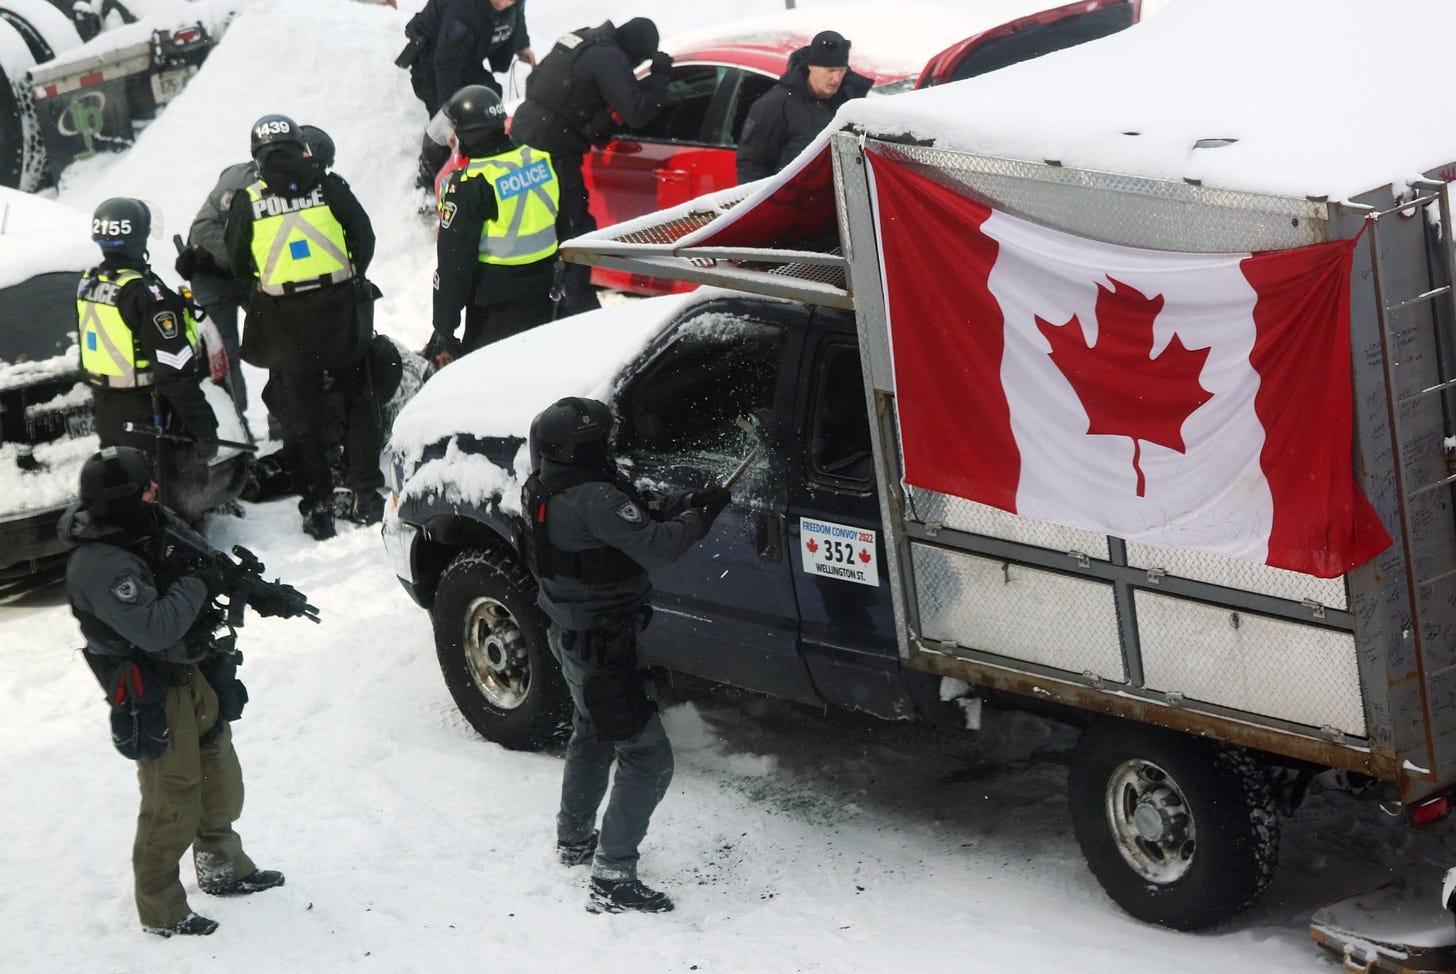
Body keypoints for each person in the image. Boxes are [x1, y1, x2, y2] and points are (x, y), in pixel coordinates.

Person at [60, 446, 283, 938]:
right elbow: (156, 627)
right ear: (121, 498)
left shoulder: (147, 521)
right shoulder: (99, 562)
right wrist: (198, 585)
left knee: (218, 771)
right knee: (172, 794)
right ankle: (161, 906)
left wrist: (245, 585)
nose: (155, 490)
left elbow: (201, 557)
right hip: (150, 683)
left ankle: (223, 867)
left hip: (192, 667)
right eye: (145, 485)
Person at [522, 397, 731, 913]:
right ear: (583, 449)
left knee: (592, 732)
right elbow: (657, 545)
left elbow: (631, 514)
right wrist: (701, 518)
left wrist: (684, 500)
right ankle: (613, 875)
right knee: (648, 758)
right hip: (601, 647)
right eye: (602, 441)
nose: (609, 448)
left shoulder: (546, 485)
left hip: (573, 636)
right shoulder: (592, 496)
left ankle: (574, 840)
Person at [225, 113, 382, 540]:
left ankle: (317, 506)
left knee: (302, 419)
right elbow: (364, 239)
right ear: (302, 146)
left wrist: (265, 291)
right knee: (358, 403)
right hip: (338, 313)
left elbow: (238, 262)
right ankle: (366, 493)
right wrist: (348, 277)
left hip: (285, 323)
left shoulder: (248, 200)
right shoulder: (329, 187)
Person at [509, 18, 670, 317]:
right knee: (575, 229)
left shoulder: (582, 37)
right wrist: (659, 76)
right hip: (553, 149)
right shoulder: (612, 58)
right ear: (637, 52)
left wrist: (592, 120)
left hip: (522, 134)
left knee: (535, 222)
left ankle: (535, 293)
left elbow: (540, 83)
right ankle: (574, 306)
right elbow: (637, 112)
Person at [78, 198, 220, 525]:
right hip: (146, 414)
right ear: (137, 237)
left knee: (124, 500)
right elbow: (174, 375)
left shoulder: (91, 283)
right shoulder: (144, 293)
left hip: (110, 410)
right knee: (160, 506)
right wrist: (204, 428)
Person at [425, 84, 560, 369]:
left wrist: (444, 328)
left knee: (494, 384)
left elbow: (454, 264)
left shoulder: (470, 184)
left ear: (468, 134)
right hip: (544, 295)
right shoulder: (538, 160)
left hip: (496, 308)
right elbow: (565, 221)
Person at [399, 0, 536, 191]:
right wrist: (448, 117)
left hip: (467, 59)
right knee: (444, 129)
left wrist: (521, 45)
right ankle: (428, 185)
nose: (504, 3)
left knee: (490, 101)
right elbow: (446, 64)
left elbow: (517, 16)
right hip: (431, 62)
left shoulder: (512, 3)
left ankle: (479, 169)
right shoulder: (463, 6)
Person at [734, 30, 872, 183]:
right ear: (811, 67)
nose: (836, 79)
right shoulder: (775, 105)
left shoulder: (851, 101)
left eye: (841, 71)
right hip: (792, 201)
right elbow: (752, 166)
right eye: (830, 71)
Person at [176, 162, 255, 418]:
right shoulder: (242, 179)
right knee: (224, 351)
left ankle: (283, 417)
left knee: (279, 340)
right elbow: (203, 229)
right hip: (210, 272)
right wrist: (251, 261)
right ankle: (235, 422)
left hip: (244, 272)